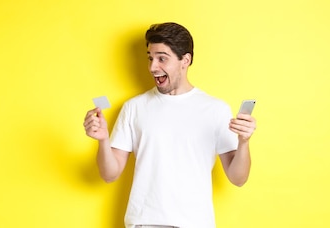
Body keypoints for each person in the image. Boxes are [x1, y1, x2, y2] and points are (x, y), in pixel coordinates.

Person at [83, 22, 257, 228]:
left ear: (185, 60)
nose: (152, 67)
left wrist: (244, 142)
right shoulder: (134, 108)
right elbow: (109, 174)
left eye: (162, 58)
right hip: (144, 223)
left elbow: (238, 178)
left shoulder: (215, 109)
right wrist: (103, 140)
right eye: (150, 58)